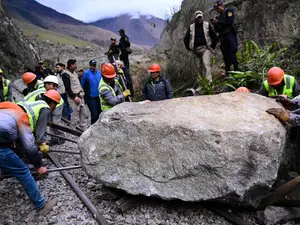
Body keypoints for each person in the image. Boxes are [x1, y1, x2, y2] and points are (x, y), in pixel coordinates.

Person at [0, 101, 57, 215]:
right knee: (24, 172)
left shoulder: (4, 106)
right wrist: (38, 166)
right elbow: (30, 147)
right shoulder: (21, 116)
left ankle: (4, 169)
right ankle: (41, 206)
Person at [22, 75, 65, 145]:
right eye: (53, 85)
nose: (55, 88)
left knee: (54, 123)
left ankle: (61, 137)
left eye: (56, 86)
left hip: (58, 104)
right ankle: (53, 137)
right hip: (52, 104)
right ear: (46, 84)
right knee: (49, 122)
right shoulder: (42, 94)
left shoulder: (45, 91)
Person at [184, 10, 218, 82]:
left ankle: (209, 82)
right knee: (198, 68)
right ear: (195, 18)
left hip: (205, 48)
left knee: (206, 65)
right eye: (198, 17)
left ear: (202, 17)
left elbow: (214, 36)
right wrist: (188, 48)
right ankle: (200, 83)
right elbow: (186, 39)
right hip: (195, 50)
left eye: (200, 17)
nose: (199, 19)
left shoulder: (207, 25)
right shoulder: (191, 27)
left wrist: (212, 46)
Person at [211, 0, 238, 74]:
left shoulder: (228, 11)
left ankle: (236, 70)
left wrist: (218, 22)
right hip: (223, 38)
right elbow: (218, 30)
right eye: (216, 9)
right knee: (226, 56)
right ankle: (228, 72)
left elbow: (229, 22)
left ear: (221, 6)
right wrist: (215, 25)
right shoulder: (218, 17)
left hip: (230, 35)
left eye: (217, 8)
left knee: (232, 53)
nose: (217, 10)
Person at [61, 59, 87, 130]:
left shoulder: (74, 73)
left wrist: (82, 91)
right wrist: (74, 97)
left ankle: (83, 127)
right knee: (75, 114)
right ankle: (72, 129)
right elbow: (67, 88)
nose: (76, 65)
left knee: (83, 112)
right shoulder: (65, 74)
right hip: (73, 97)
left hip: (80, 95)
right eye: (75, 64)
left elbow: (77, 84)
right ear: (71, 65)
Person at [81, 60, 102, 124]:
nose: (94, 67)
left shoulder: (99, 72)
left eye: (94, 65)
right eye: (92, 65)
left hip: (100, 95)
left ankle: (99, 125)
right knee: (94, 113)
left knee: (100, 112)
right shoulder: (86, 73)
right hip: (91, 96)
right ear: (90, 65)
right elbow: (82, 84)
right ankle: (93, 126)